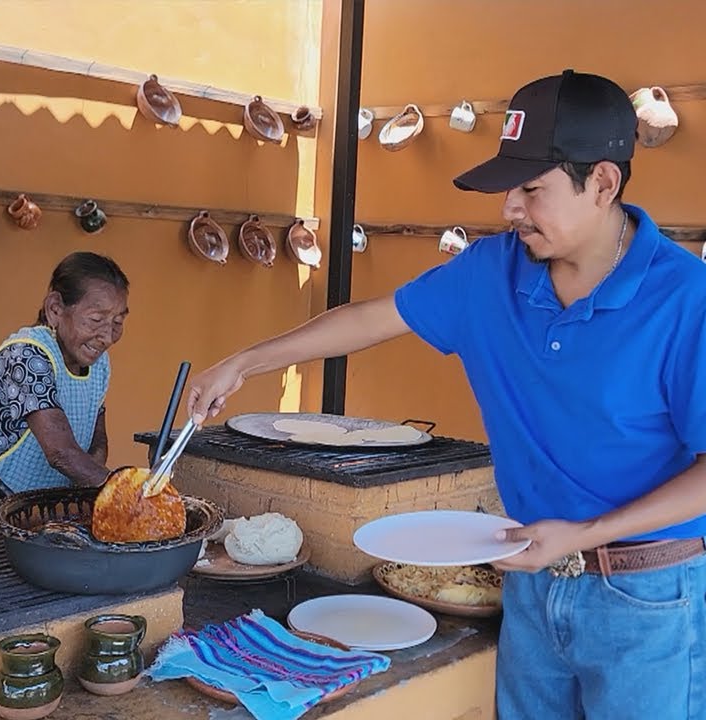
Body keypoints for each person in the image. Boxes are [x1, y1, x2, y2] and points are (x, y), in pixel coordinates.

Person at [187, 70, 705, 720]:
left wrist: (583, 534)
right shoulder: (490, 271)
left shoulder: (685, 298)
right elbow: (372, 318)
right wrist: (245, 362)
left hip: (647, 595)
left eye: (532, 190)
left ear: (602, 182)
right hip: (528, 579)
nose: (509, 209)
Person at [0, 251, 130, 492]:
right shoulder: (26, 355)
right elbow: (61, 453)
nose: (108, 337)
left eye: (117, 322)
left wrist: (94, 490)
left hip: (27, 505)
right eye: (96, 319)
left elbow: (96, 442)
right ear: (55, 309)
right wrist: (124, 491)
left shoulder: (99, 364)